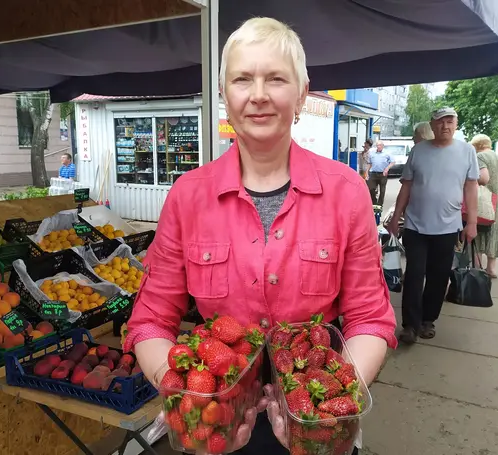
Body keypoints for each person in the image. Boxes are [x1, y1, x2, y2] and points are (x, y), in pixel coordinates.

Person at [124, 17, 396, 455]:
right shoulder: (188, 197)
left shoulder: (347, 193)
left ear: (302, 94)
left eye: (276, 79)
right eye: (242, 79)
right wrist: (193, 398)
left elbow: (370, 318)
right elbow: (152, 318)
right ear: (224, 96)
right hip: (219, 420)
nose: (258, 95)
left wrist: (323, 409)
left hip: (315, 416)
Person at [387, 107, 479, 344]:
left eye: (450, 121)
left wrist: (472, 222)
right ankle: (410, 325)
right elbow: (406, 186)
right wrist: (396, 217)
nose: (445, 126)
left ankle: (428, 320)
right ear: (432, 124)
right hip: (416, 226)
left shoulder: (466, 151)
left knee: (438, 277)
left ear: (456, 124)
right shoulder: (419, 150)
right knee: (415, 275)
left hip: (448, 227)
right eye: (440, 122)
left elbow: (471, 188)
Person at [470, 134, 498, 278]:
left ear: (477, 145)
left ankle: (477, 267)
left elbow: (484, 178)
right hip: (497, 200)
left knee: (479, 230)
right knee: (494, 231)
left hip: (483, 199)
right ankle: (491, 268)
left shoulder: (480, 157)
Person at [365, 140, 393, 207]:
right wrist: (366, 173)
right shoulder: (372, 153)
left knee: (382, 190)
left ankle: (380, 204)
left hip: (382, 174)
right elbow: (369, 163)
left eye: (380, 145)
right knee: (371, 188)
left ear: (383, 146)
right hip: (373, 173)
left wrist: (387, 168)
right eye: (377, 145)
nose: (378, 147)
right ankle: (374, 202)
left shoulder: (387, 153)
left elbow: (392, 162)